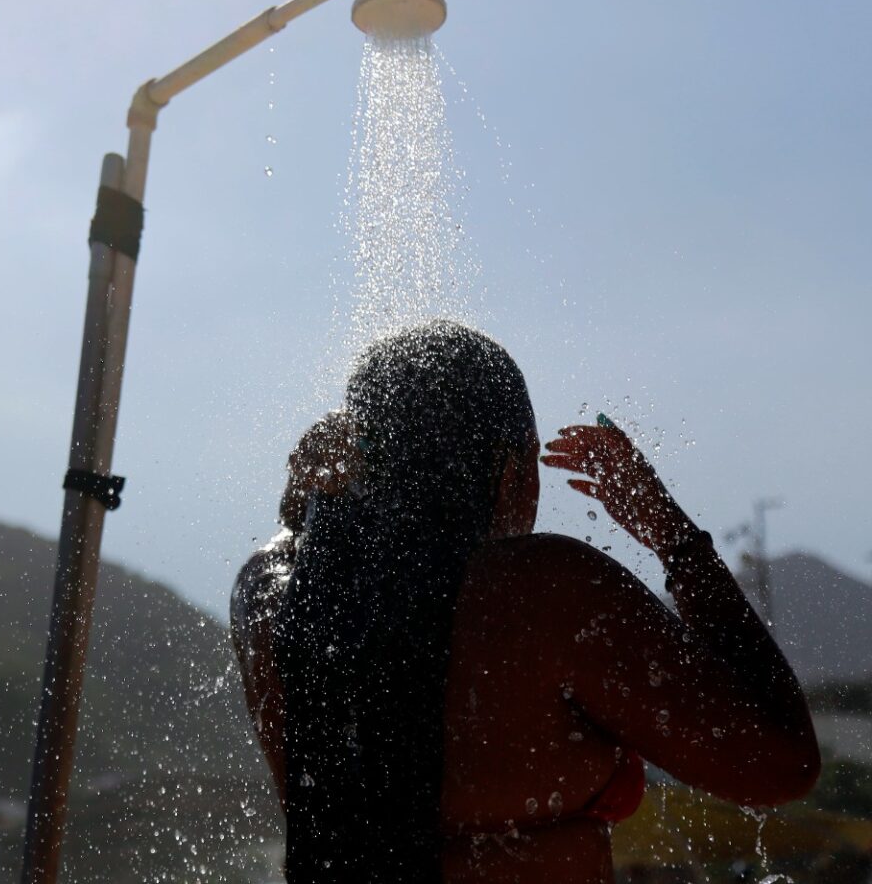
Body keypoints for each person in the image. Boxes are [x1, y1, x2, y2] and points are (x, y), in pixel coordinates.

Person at [230, 321, 819, 883]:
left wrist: (304, 505)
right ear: (512, 471)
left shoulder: (274, 600)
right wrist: (675, 538)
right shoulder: (547, 591)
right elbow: (778, 764)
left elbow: (286, 558)